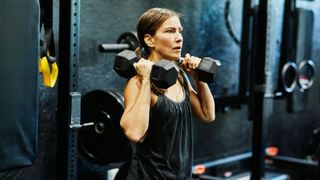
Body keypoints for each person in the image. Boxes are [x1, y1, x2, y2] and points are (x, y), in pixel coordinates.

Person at [119, 7, 216, 179]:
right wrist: (147, 79)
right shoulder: (137, 82)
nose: (178, 38)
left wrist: (198, 76)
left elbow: (207, 115)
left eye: (180, 31)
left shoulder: (179, 76)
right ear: (150, 40)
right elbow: (134, 133)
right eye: (170, 31)